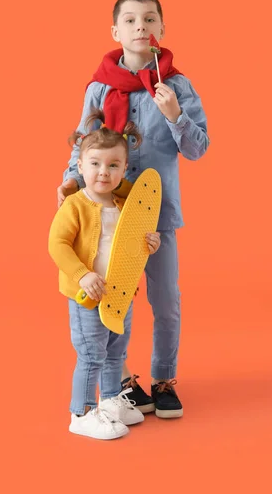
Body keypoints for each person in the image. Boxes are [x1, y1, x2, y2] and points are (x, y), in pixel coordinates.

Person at [57, 0, 210, 419]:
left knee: (165, 302)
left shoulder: (176, 85)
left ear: (161, 30)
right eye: (130, 20)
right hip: (107, 218)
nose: (140, 26)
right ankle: (120, 380)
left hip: (156, 219)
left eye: (149, 19)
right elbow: (83, 143)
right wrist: (70, 180)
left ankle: (163, 380)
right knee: (113, 300)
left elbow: (198, 149)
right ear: (115, 30)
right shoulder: (100, 88)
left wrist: (176, 115)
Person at [49, 109, 161, 439]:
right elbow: (57, 244)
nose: (103, 172)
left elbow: (129, 247)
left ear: (125, 170)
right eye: (95, 163)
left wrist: (149, 243)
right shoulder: (75, 205)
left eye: (113, 165)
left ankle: (111, 402)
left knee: (116, 353)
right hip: (88, 298)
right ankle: (81, 413)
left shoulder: (124, 206)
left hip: (120, 295)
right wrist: (82, 274)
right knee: (91, 355)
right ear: (80, 166)